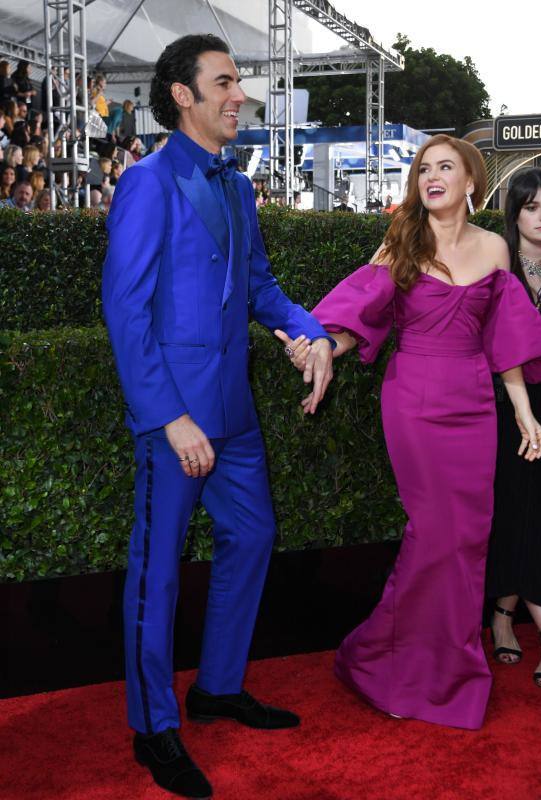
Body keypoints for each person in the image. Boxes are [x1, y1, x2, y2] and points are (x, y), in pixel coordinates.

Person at [102, 33, 334, 799]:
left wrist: (311, 332)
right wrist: (167, 417)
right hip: (176, 423)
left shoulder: (237, 188)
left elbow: (262, 288)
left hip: (232, 415)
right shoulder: (145, 183)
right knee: (157, 571)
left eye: (240, 82)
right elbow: (126, 312)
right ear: (183, 95)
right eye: (226, 81)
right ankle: (155, 728)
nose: (241, 94)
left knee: (255, 534)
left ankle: (218, 687)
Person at [280, 134, 541, 730]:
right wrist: (325, 344)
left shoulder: (495, 250)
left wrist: (524, 411)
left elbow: (503, 341)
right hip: (413, 401)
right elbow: (361, 312)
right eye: (424, 169)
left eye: (445, 167)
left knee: (467, 540)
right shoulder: (401, 242)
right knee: (432, 534)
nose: (431, 177)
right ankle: (392, 665)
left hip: (475, 406)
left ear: (471, 183)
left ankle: (448, 670)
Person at [486, 168, 541, 690]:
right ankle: (507, 616)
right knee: (508, 505)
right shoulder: (497, 265)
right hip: (498, 406)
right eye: (533, 207)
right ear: (515, 214)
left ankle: (515, 615)